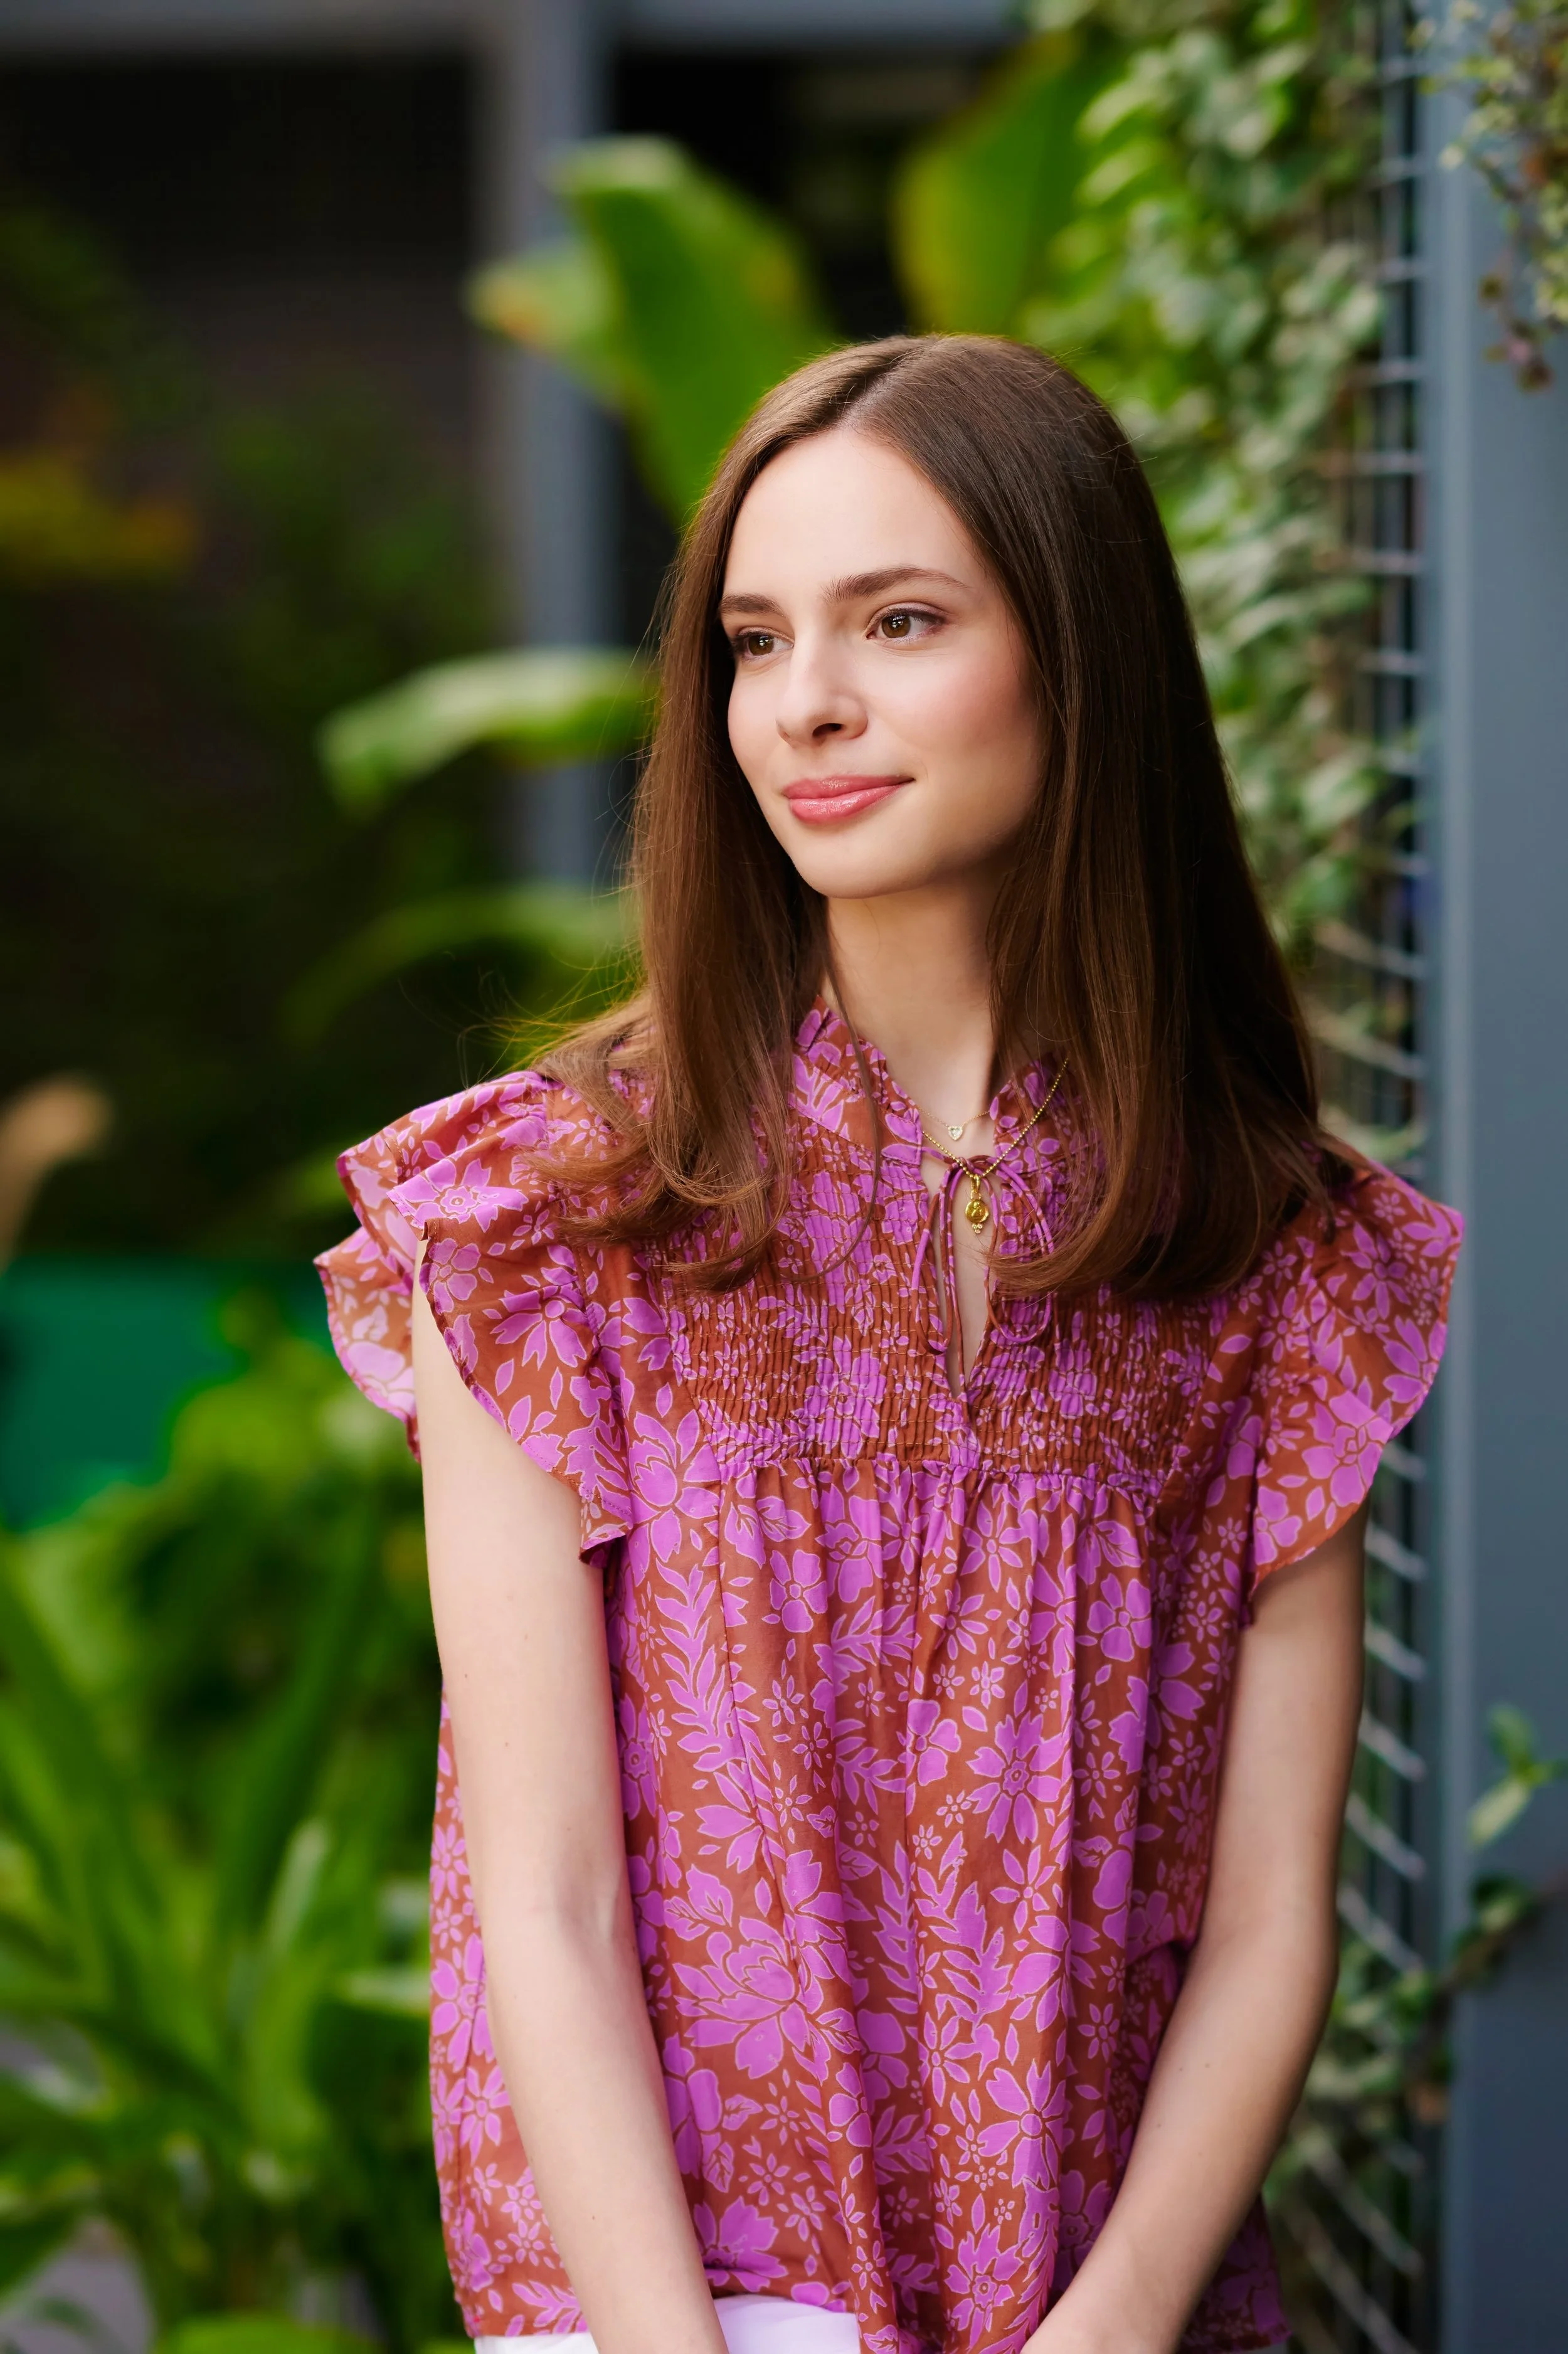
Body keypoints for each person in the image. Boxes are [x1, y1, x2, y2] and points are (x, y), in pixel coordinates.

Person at [318, 336, 1461, 2354]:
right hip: (677, 2308)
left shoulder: (1268, 1256)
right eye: (755, 642)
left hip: (1105, 2303)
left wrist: (1105, 2332)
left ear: (1081, 662)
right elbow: (545, 1920)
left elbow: (1274, 1918)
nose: (806, 705)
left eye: (900, 621)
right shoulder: (541, 1229)